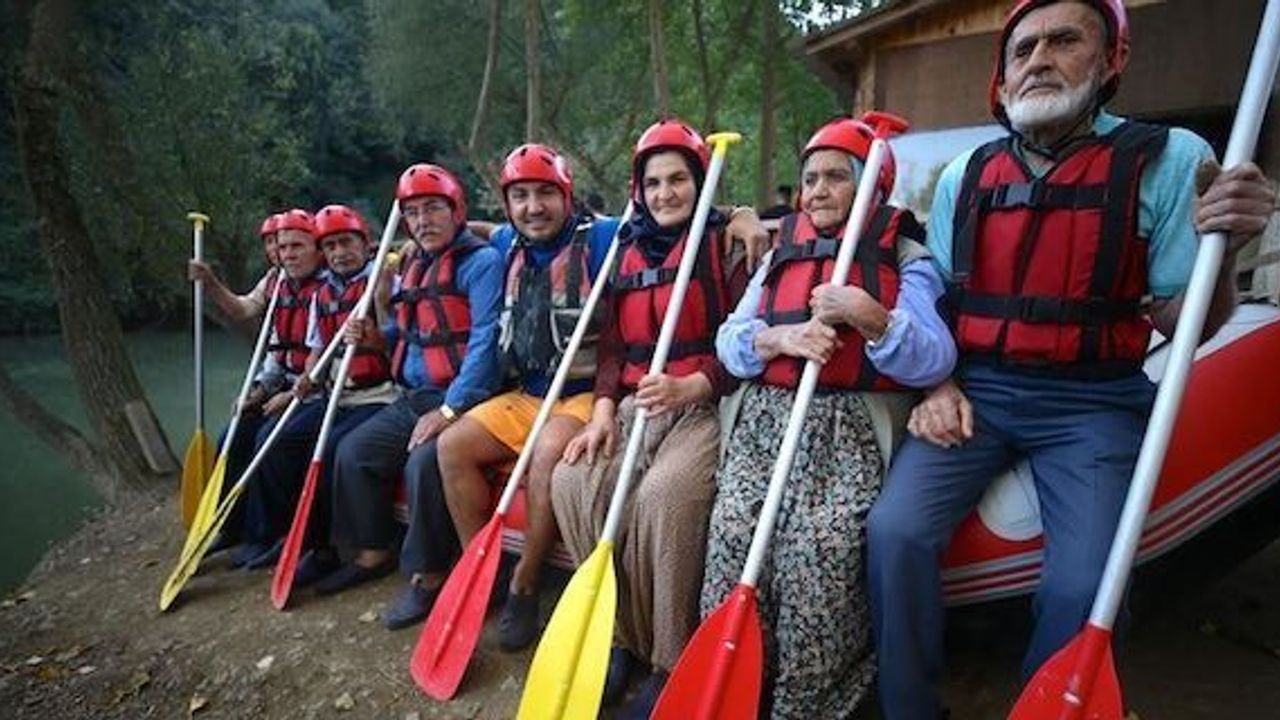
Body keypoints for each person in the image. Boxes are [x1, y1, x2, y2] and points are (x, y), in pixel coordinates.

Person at [865, 3, 1278, 719]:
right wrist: (940, 382)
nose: (1038, 61)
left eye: (1064, 41)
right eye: (1022, 49)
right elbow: (941, 307)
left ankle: (1044, 704)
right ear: (1002, 75)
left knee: (1080, 587)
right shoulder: (967, 173)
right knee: (894, 532)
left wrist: (1231, 246)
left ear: (1112, 60)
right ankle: (909, 707)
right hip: (982, 391)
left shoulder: (1171, 159)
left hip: (1094, 402)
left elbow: (1186, 326)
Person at [701, 115, 956, 719]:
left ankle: (807, 705)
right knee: (733, 539)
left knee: (819, 556)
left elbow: (935, 356)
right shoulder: (781, 249)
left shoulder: (906, 255)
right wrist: (778, 338)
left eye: (836, 177)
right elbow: (729, 340)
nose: (816, 190)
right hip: (766, 425)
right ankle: (737, 688)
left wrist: (871, 315)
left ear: (872, 186)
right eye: (809, 177)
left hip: (851, 434)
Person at [550, 119, 740, 717]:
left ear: (698, 181)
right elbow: (611, 347)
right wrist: (603, 409)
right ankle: (619, 635)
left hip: (703, 406)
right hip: (634, 405)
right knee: (572, 479)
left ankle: (669, 655)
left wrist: (694, 383)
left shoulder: (727, 243)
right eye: (653, 182)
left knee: (665, 496)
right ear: (640, 188)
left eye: (678, 179)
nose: (665, 193)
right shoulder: (626, 251)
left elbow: (745, 347)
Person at [434, 143, 621, 649]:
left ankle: (526, 582)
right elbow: (472, 231)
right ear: (507, 203)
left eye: (545, 193)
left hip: (584, 394)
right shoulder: (504, 243)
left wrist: (738, 216)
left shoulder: (603, 236)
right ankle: (484, 567)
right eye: (520, 196)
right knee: (451, 447)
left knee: (545, 457)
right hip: (529, 393)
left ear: (567, 197)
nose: (533, 207)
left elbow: (665, 219)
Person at [320, 164, 504, 598]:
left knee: (424, 461)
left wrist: (449, 409)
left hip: (466, 397)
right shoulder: (411, 265)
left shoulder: (481, 262)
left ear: (456, 211)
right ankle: (371, 551)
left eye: (434, 208)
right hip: (414, 395)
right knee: (353, 451)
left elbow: (485, 344)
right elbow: (409, 337)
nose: (424, 220)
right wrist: (374, 338)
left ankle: (431, 572)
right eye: (414, 212)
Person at [236, 205, 398, 580]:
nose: (340, 252)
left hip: (380, 394)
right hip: (339, 396)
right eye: (332, 245)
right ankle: (308, 542)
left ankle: (338, 548)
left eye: (347, 242)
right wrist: (307, 377)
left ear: (366, 244)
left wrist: (375, 335)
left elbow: (397, 337)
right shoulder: (324, 293)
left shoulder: (380, 281)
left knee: (330, 451)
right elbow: (316, 349)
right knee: (287, 444)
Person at [221, 208, 327, 565]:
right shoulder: (279, 283)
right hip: (285, 384)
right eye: (282, 247)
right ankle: (233, 525)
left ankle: (269, 532)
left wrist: (289, 394)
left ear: (317, 248)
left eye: (298, 246)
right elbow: (275, 351)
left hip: (318, 390)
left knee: (271, 439)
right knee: (232, 434)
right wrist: (262, 391)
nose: (288, 254)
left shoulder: (328, 287)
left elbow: (322, 356)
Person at [187, 213, 282, 330]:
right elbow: (241, 310)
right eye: (269, 242)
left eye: (279, 241)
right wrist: (210, 281)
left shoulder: (310, 277)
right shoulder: (271, 279)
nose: (274, 248)